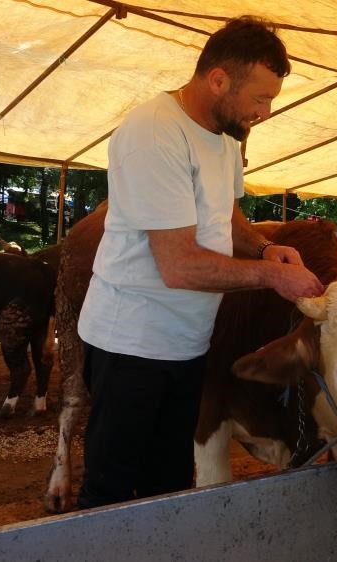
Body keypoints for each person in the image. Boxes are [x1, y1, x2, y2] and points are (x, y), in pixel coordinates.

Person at [76, 16, 324, 509]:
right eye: (260, 98)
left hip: (187, 344)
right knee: (110, 487)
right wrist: (273, 276)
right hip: (131, 344)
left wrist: (261, 248)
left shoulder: (224, 137)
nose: (266, 111)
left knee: (169, 480)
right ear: (218, 80)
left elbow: (225, 217)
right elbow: (179, 266)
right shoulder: (154, 132)